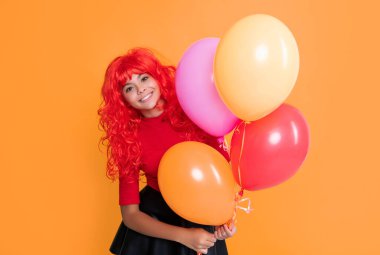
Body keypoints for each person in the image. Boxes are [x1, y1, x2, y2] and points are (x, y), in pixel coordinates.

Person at [98, 48, 236, 255]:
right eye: (129, 88)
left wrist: (223, 223)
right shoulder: (128, 138)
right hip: (157, 227)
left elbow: (220, 173)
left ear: (158, 77)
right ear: (122, 100)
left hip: (201, 214)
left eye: (144, 78)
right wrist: (183, 236)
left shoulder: (192, 110)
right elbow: (130, 214)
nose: (141, 90)